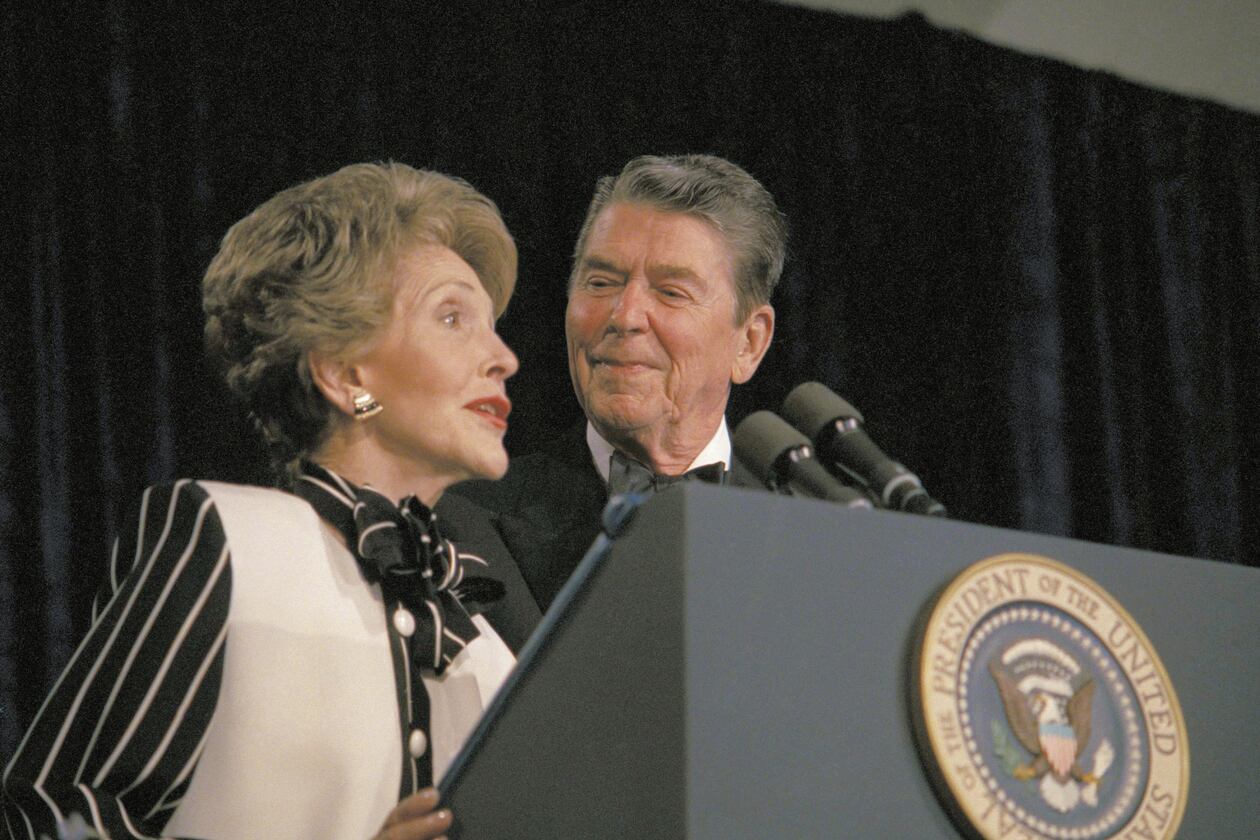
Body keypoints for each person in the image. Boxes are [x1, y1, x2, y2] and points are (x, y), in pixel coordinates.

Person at [2, 162, 540, 839]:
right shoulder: (229, 540)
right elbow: (45, 820)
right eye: (453, 317)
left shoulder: (489, 644)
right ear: (347, 377)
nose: (504, 357)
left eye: (493, 326)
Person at [443, 154, 782, 611]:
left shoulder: (817, 535)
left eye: (671, 293)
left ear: (749, 344)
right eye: (601, 283)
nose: (624, 317)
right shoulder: (464, 520)